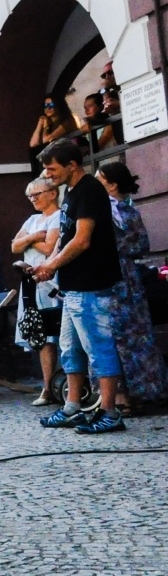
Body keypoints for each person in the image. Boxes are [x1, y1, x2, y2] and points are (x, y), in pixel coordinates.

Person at [32, 140, 126, 431]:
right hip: (73, 286)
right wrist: (51, 265)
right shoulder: (70, 192)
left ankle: (110, 413)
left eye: (52, 169)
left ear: (72, 165)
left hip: (92, 284)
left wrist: (52, 264)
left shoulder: (89, 190)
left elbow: (83, 239)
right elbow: (66, 236)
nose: (48, 175)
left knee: (99, 348)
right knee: (70, 349)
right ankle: (72, 407)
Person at [97, 160, 168, 408]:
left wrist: (115, 250)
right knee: (116, 336)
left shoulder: (125, 211)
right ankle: (121, 395)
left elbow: (141, 244)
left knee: (132, 336)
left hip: (124, 278)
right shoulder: (104, 209)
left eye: (100, 177)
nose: (95, 181)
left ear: (112, 184)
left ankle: (140, 393)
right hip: (114, 276)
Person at [12, 177, 63, 406]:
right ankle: (47, 385)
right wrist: (33, 237)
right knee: (40, 335)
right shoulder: (33, 220)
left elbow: (50, 247)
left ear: (52, 193)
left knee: (56, 333)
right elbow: (14, 245)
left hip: (50, 279)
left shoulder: (58, 216)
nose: (33, 199)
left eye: (37, 194)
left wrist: (26, 242)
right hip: (30, 281)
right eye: (30, 196)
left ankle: (62, 384)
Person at [29, 95, 77, 165]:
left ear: (59, 106)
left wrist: (46, 127)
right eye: (45, 106)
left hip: (65, 156)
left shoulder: (67, 121)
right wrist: (40, 123)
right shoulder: (48, 122)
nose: (48, 108)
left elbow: (46, 140)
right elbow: (33, 144)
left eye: (51, 105)